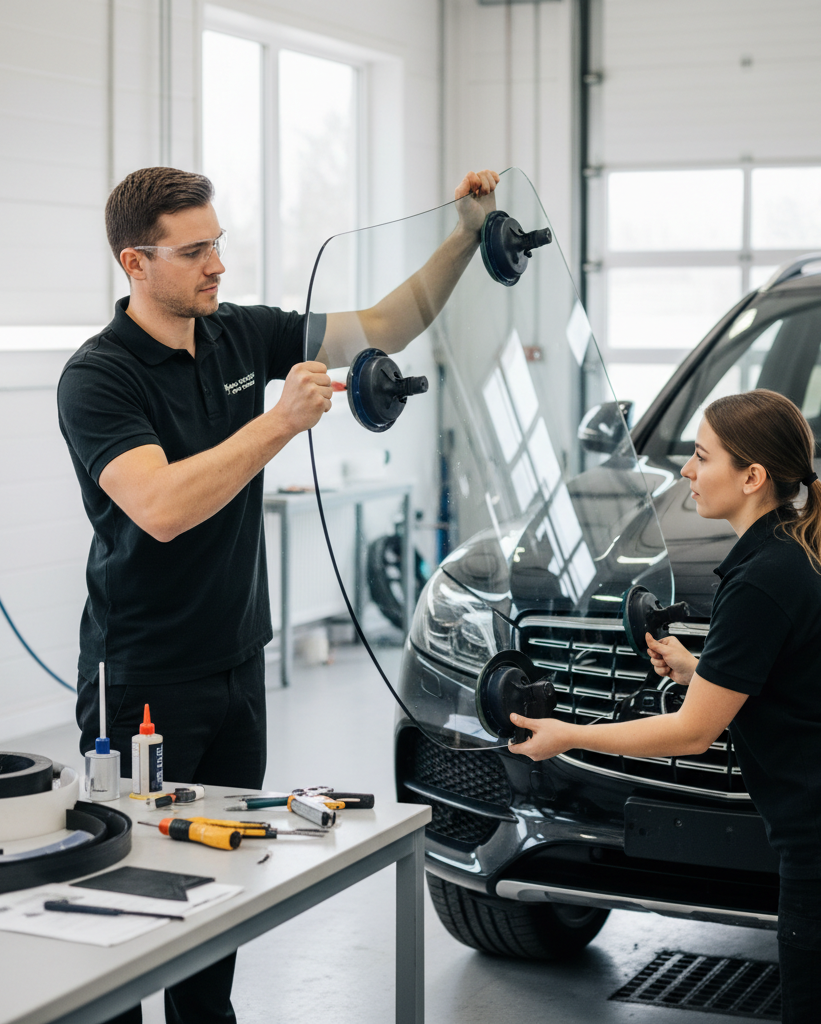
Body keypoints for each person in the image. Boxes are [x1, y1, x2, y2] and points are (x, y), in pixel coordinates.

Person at [57, 164, 499, 1024]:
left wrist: (466, 238)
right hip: (143, 678)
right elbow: (162, 508)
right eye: (194, 251)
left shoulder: (238, 333)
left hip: (236, 662)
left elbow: (384, 325)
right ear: (134, 263)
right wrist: (280, 420)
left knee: (220, 891)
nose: (217, 264)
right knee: (133, 896)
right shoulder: (98, 377)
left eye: (218, 243)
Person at [509, 388, 821, 1024]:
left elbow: (691, 733)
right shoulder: (794, 547)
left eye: (702, 457)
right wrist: (698, 669)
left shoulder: (760, 579)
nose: (686, 471)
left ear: (752, 477)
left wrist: (569, 735)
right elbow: (797, 680)